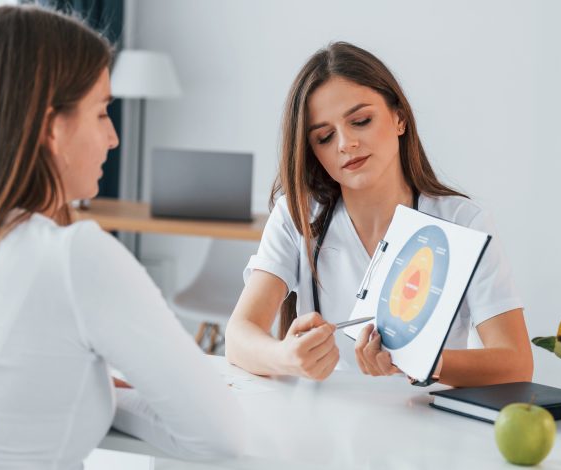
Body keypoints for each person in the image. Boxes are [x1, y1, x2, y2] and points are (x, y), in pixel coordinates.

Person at [0, 6, 243, 468]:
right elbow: (222, 437)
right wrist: (111, 399)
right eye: (101, 113)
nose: (113, 138)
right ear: (53, 129)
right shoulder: (73, 255)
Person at [225, 42, 533, 386]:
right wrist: (287, 357)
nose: (345, 143)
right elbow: (238, 337)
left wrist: (419, 361)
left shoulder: (463, 221)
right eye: (325, 137)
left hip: (426, 426)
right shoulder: (296, 215)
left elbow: (516, 364)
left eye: (360, 121)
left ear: (399, 118)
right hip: (325, 426)